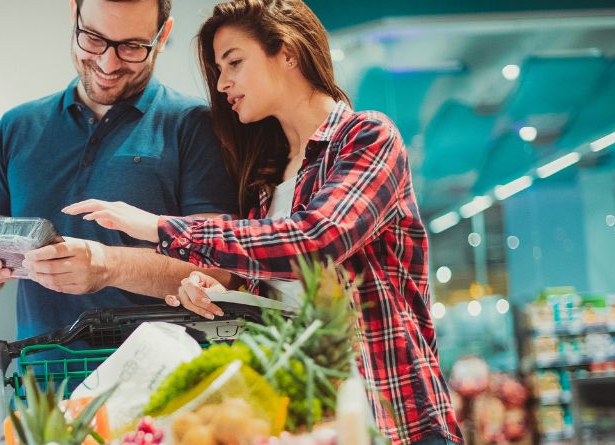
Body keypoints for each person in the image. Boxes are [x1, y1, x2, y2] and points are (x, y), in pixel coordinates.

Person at [64, 1, 463, 444]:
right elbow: (276, 299)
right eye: (218, 69)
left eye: (234, 62)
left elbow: (314, 241)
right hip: (309, 423)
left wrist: (161, 228)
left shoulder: (367, 137)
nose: (222, 83)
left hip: (392, 419)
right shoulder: (264, 184)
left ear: (288, 52)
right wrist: (223, 294)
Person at [0, 0, 238, 341]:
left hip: (160, 383)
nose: (107, 62)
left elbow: (220, 271)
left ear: (163, 36)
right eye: (92, 38)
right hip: (40, 381)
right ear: (74, 14)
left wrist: (107, 265)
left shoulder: (196, 126)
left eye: (132, 46)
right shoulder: (16, 127)